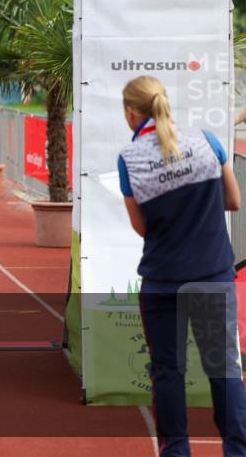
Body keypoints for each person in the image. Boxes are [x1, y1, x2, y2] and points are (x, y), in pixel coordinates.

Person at [118, 76, 246, 456]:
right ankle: (237, 449)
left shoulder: (129, 159)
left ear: (131, 112)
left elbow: (142, 227)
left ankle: (176, 451)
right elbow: (234, 201)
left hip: (163, 279)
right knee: (224, 367)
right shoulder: (206, 140)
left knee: (167, 370)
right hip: (212, 274)